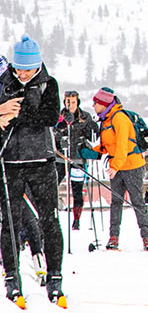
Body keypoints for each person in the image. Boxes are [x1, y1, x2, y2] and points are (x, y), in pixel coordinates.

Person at [0, 36, 64, 305]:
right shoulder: (4, 82)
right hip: (10, 162)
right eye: (19, 68)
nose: (22, 73)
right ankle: (12, 277)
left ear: (38, 66)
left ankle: (55, 276)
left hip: (42, 161)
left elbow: (50, 117)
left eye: (28, 69)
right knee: (11, 223)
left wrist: (19, 113)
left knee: (48, 219)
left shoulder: (49, 83)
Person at [90, 87, 148, 252]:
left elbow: (123, 146)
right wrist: (91, 150)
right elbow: (109, 146)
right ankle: (114, 238)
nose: (93, 105)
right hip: (117, 166)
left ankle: (147, 238)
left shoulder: (119, 118)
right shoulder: (106, 120)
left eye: (96, 103)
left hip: (132, 165)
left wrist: (115, 167)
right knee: (116, 202)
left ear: (104, 104)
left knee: (137, 201)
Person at [55, 90, 96, 230]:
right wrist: (60, 139)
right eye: (68, 102)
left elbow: (91, 136)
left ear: (77, 102)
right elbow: (51, 134)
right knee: (51, 186)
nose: (70, 105)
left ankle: (76, 219)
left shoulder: (85, 117)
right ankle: (52, 215)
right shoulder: (57, 117)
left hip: (78, 159)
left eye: (73, 102)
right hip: (60, 158)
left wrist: (91, 131)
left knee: (77, 190)